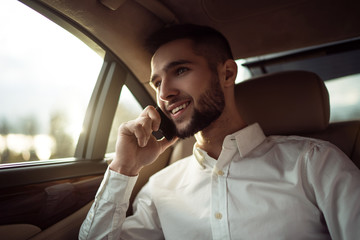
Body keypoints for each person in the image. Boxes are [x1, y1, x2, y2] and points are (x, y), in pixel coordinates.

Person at [79, 24, 360, 240]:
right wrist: (124, 167)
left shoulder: (314, 163)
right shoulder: (158, 189)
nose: (164, 93)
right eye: (157, 82)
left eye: (180, 70)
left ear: (227, 74)